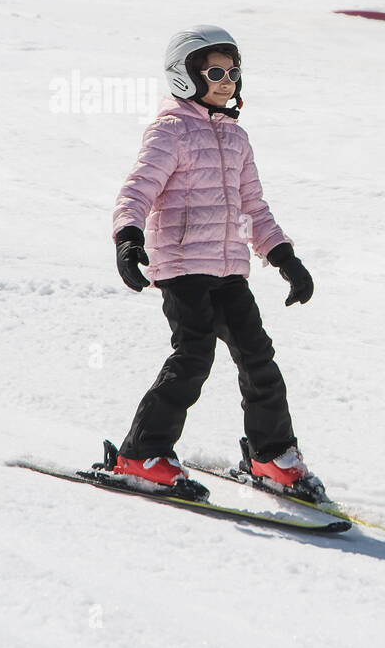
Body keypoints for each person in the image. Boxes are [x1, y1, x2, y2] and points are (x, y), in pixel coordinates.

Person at [110, 25, 319, 497]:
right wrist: (128, 237)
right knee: (193, 357)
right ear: (185, 75)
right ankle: (141, 452)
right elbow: (138, 189)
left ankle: (272, 456)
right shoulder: (171, 130)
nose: (227, 80)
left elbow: (253, 209)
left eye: (233, 71)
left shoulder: (237, 138)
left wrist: (285, 258)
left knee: (258, 359)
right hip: (183, 268)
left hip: (229, 271)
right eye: (216, 71)